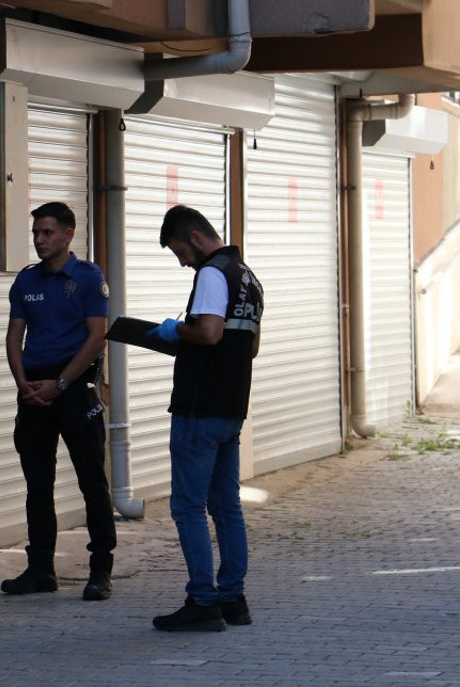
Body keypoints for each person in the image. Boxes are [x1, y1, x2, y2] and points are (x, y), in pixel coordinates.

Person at [146, 205, 263, 632]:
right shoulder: (248, 277)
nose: (181, 262)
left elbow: (209, 332)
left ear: (196, 238)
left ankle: (202, 600)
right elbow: (248, 346)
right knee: (227, 507)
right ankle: (233, 599)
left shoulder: (212, 274)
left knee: (189, 507)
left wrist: (174, 331)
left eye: (180, 251)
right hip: (232, 408)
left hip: (199, 409)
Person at [1, 201, 117, 601]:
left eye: (47, 232)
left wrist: (61, 385)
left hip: (73, 391)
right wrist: (23, 384)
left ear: (68, 234)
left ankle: (100, 570)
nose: (39, 240)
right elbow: (15, 336)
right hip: (34, 393)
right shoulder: (26, 282)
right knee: (38, 484)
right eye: (35, 233)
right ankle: (40, 569)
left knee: (92, 483)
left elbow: (97, 337)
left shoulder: (87, 278)